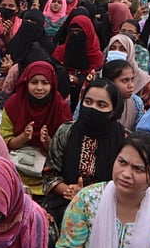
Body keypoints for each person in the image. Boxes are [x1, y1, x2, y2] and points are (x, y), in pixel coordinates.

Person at [43, 79, 126, 226]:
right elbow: (49, 175)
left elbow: (126, 183)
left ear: (113, 110)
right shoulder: (66, 131)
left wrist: (92, 197)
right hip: (64, 205)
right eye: (88, 102)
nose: (93, 108)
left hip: (109, 209)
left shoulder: (123, 139)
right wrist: (69, 190)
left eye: (102, 105)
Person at [0, 60, 72, 195]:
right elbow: (3, 142)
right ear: (26, 83)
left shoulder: (61, 108)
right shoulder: (13, 104)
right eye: (34, 82)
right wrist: (23, 137)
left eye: (45, 83)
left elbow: (66, 150)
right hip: (15, 172)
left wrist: (48, 143)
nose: (39, 88)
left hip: (46, 176)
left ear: (53, 84)